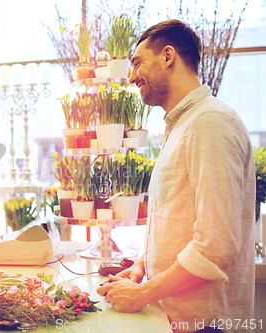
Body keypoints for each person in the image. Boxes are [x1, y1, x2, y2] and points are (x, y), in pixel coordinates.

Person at [97, 20, 255, 333]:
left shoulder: (210, 122)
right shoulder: (183, 125)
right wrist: (142, 267)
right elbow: (177, 221)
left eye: (138, 62)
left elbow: (216, 246)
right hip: (176, 319)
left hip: (206, 326)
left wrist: (143, 293)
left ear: (168, 56)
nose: (131, 76)